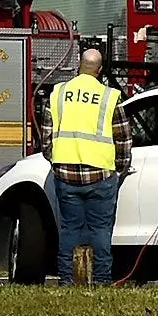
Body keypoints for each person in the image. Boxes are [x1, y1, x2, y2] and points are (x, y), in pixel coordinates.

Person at [43, 43, 128, 282]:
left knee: (70, 229)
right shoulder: (109, 97)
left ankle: (67, 280)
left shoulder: (59, 93)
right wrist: (118, 169)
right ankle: (101, 280)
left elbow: (47, 137)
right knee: (100, 231)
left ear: (79, 67)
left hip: (66, 175)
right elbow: (123, 138)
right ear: (99, 71)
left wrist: (56, 160)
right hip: (101, 174)